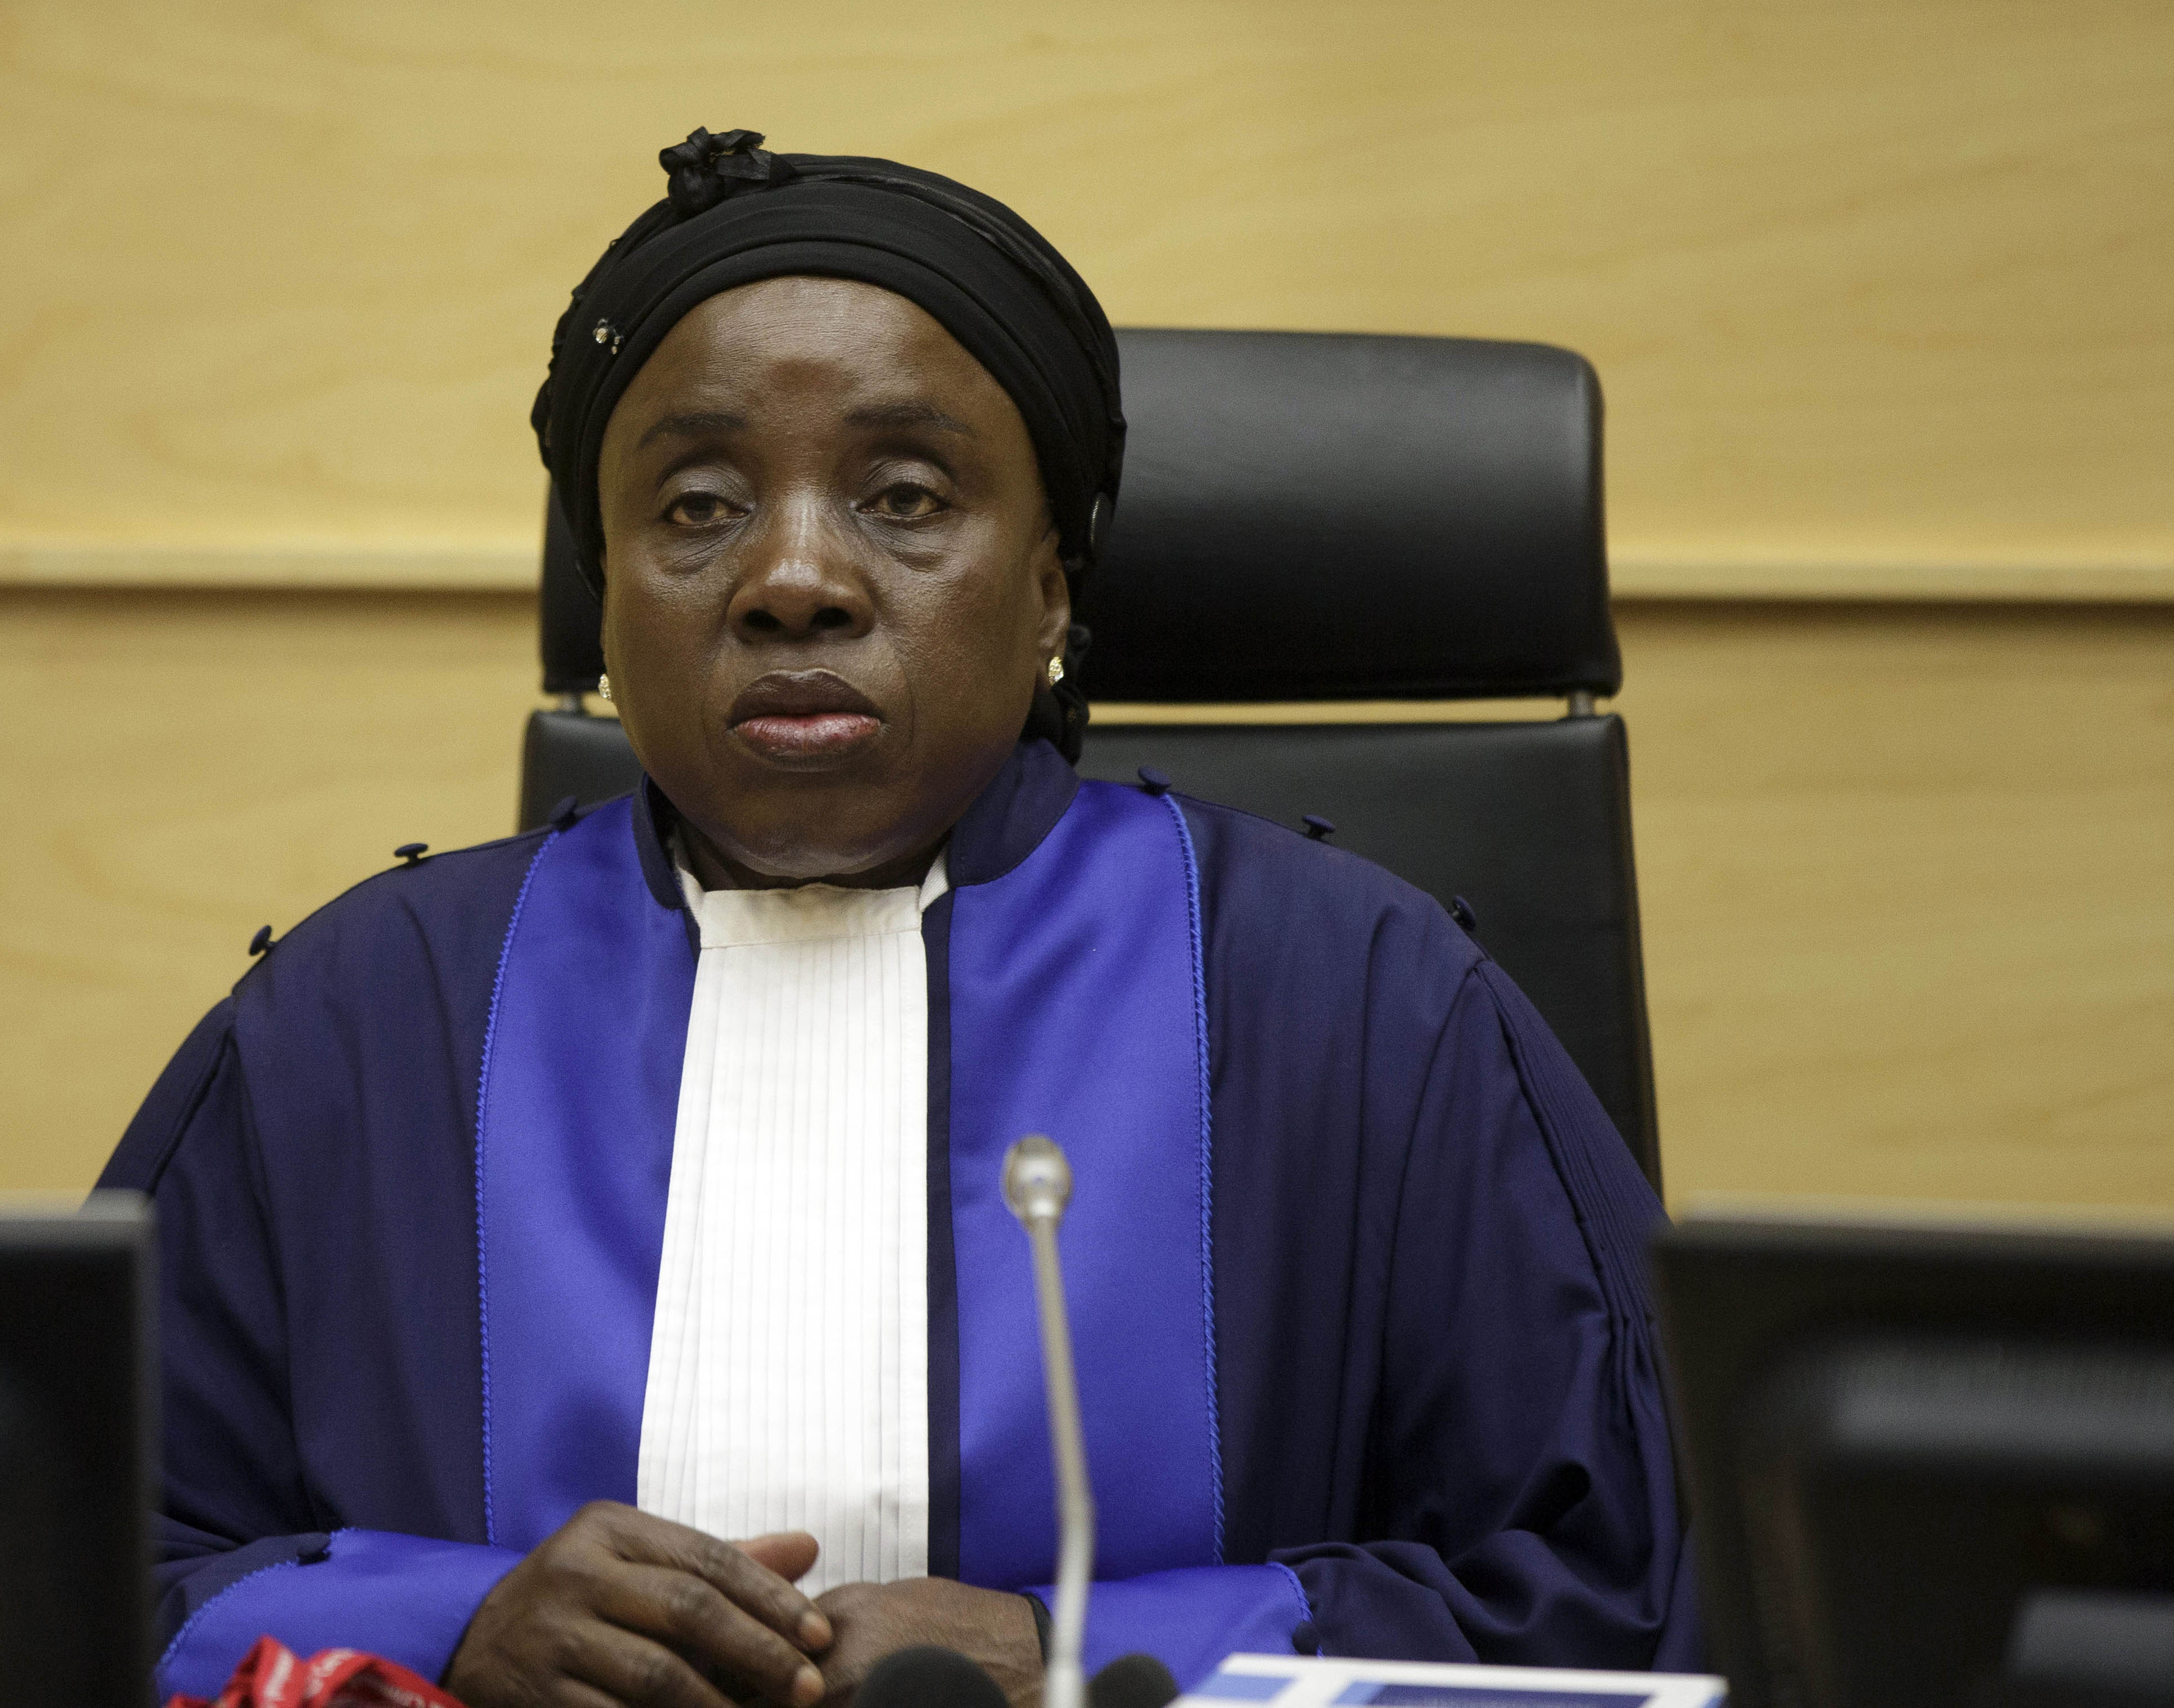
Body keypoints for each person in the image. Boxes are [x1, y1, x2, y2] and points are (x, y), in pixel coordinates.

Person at [101, 128, 1697, 1708]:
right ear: (610, 592)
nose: (794, 576)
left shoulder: (1357, 1001)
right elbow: (67, 1564)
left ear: (1054, 590)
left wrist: (1099, 1667)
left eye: (906, 497)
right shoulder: (363, 1021)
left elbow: (1632, 1595)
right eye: (700, 506)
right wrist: (452, 1624)